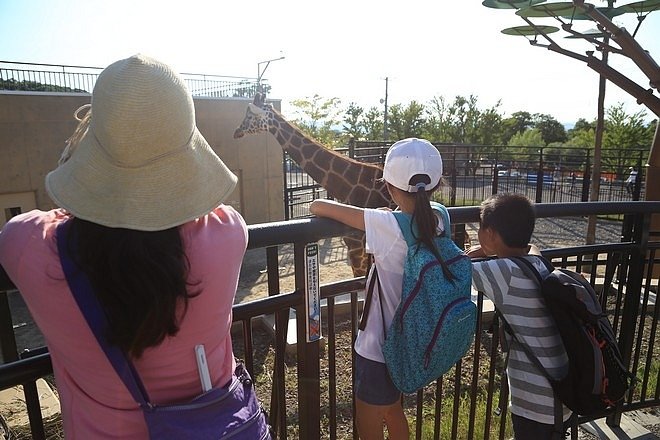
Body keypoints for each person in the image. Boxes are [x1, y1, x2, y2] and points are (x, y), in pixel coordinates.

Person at [0, 55, 265, 438]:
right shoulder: (225, 235)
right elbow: (211, 210)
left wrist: (99, 189)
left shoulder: (27, 246)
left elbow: (41, 221)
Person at [310, 137, 451, 440]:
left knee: (370, 420)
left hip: (378, 347)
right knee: (393, 409)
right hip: (413, 341)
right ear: (437, 184)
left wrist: (384, 217)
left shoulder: (388, 226)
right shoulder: (441, 219)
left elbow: (319, 205)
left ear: (388, 186)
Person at [467, 193, 572, 439]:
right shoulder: (537, 262)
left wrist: (475, 253)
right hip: (560, 390)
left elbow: (452, 269)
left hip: (535, 402)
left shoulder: (503, 272)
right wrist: (488, 249)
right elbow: (533, 247)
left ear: (490, 234)